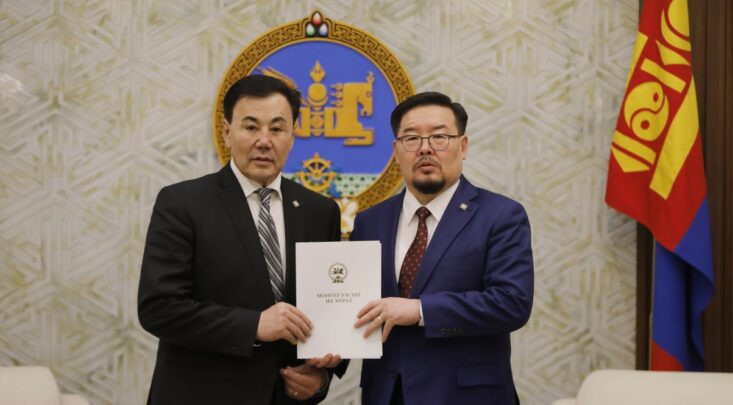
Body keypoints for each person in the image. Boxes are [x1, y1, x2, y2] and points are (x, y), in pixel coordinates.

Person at [138, 75, 343, 405]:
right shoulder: (182, 203)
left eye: (277, 128)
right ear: (227, 132)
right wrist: (254, 325)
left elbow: (332, 306)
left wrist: (321, 377)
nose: (264, 141)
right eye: (250, 127)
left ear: (293, 135)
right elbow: (159, 308)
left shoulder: (320, 211)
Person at [351, 92, 534, 404]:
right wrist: (325, 358)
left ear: (463, 146)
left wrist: (420, 310)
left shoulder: (501, 216)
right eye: (411, 138)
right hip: (387, 394)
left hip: (467, 396)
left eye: (439, 137)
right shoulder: (370, 221)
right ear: (396, 151)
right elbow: (354, 304)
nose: (425, 148)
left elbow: (511, 303)